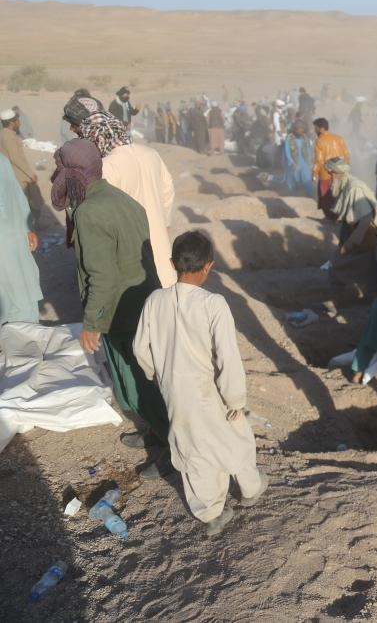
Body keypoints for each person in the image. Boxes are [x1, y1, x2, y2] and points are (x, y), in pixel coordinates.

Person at [134, 231, 267, 536]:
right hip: (210, 391)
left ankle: (211, 512)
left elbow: (141, 349)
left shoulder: (155, 300)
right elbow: (227, 357)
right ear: (209, 266)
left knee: (192, 449)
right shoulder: (213, 303)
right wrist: (235, 399)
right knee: (235, 438)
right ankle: (250, 489)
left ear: (171, 264)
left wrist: (160, 376)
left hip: (175, 394)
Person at [51, 139, 170, 476]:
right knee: (139, 376)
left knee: (139, 380)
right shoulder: (122, 200)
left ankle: (175, 452)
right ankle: (153, 431)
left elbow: (101, 276)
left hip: (120, 310)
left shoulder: (91, 211)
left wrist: (91, 323)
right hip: (142, 301)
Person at [72, 102, 177, 288]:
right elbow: (168, 191)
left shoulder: (107, 167)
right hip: (159, 234)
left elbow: (105, 212)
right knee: (165, 287)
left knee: (139, 294)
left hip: (130, 244)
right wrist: (165, 222)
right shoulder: (150, 153)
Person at [0, 153, 42, 324]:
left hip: (12, 239)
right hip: (9, 241)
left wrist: (28, 228)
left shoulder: (2, 161)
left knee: (21, 297)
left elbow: (16, 195)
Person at [0, 108, 45, 229]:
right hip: (19, 175)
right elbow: (16, 158)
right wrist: (30, 174)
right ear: (12, 122)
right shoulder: (8, 136)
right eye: (17, 119)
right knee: (32, 200)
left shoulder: (5, 134)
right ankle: (31, 227)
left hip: (15, 174)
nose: (19, 122)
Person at [312, 118, 351, 220]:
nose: (314, 130)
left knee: (326, 198)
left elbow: (319, 160)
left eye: (315, 127)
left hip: (325, 174)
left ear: (321, 128)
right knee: (338, 196)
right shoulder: (339, 138)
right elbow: (347, 156)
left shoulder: (319, 141)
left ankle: (330, 219)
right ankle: (338, 217)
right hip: (340, 174)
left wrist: (314, 174)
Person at [283, 121, 315, 197]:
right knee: (292, 180)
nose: (301, 131)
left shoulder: (304, 138)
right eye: (299, 129)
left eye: (302, 129)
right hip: (293, 163)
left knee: (307, 179)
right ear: (294, 130)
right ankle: (293, 195)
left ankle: (310, 196)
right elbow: (287, 152)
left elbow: (308, 150)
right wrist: (292, 163)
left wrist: (310, 162)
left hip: (304, 163)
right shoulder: (289, 139)